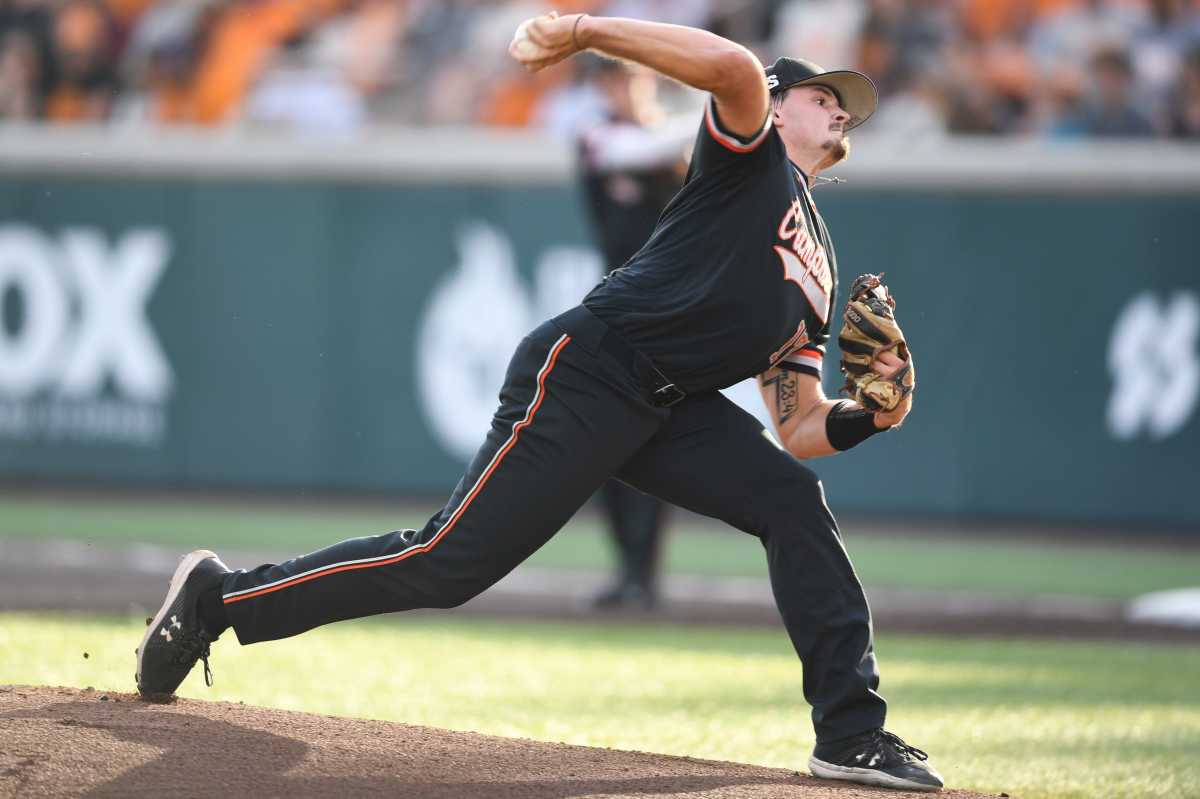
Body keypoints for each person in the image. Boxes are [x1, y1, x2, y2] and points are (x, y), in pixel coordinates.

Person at [135, 11, 943, 793]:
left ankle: (850, 733)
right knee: (445, 564)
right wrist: (586, 29)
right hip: (594, 368)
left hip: (669, 405)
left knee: (791, 497)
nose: (841, 107)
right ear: (777, 101)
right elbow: (732, 67)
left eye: (850, 106)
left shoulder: (824, 270)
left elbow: (800, 423)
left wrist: (874, 414)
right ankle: (219, 597)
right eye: (822, 93)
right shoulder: (750, 159)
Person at [576, 59, 690, 610]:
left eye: (634, 79)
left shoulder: (679, 144)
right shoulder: (598, 136)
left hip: (671, 316)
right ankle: (628, 571)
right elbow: (635, 152)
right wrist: (729, 104)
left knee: (656, 442)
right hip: (616, 310)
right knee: (604, 449)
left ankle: (645, 576)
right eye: (616, 80)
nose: (626, 90)